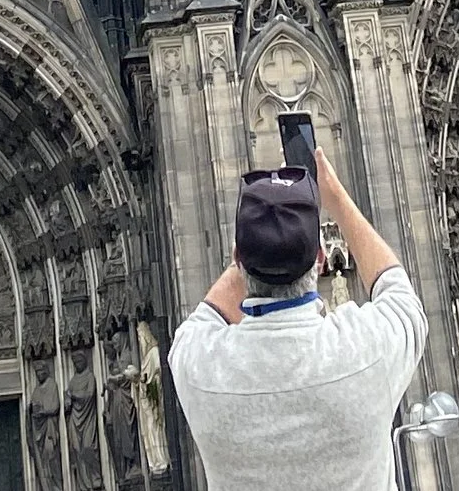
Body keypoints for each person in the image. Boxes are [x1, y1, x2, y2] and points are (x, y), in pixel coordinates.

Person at [169, 145, 427, 491]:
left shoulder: (198, 366)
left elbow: (207, 315)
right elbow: (396, 289)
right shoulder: (366, 351)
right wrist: (334, 198)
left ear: (238, 259)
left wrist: (256, 238)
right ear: (321, 259)